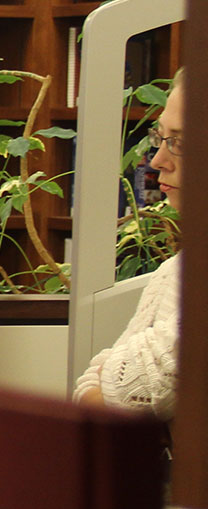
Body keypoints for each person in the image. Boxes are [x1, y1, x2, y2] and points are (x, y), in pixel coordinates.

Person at [76, 73, 183, 418]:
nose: (157, 161)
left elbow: (154, 379)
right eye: (161, 138)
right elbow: (91, 389)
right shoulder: (177, 269)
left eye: (179, 142)